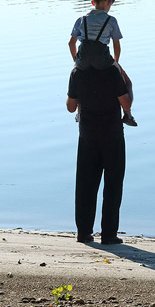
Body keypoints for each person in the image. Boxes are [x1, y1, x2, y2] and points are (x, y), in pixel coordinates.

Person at [67, 57, 128, 245]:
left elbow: (70, 107)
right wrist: (124, 76)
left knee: (85, 184)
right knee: (113, 185)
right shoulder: (112, 71)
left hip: (88, 136)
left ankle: (84, 233)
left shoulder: (77, 72)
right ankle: (109, 234)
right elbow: (126, 103)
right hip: (112, 135)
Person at [68, 0, 136, 127]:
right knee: (122, 77)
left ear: (93, 2)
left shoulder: (81, 19)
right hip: (101, 58)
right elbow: (116, 45)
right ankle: (128, 114)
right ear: (109, 2)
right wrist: (116, 63)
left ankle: (79, 112)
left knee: (77, 77)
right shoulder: (111, 20)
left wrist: (77, 61)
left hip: (83, 58)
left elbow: (71, 43)